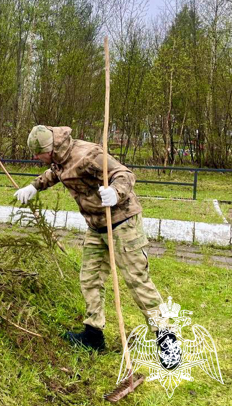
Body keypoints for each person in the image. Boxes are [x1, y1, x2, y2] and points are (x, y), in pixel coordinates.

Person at [15, 125, 163, 351]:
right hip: (96, 225)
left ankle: (165, 339)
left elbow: (125, 174)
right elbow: (56, 172)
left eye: (38, 153)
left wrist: (115, 192)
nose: (36, 157)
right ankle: (93, 335)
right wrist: (34, 186)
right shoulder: (59, 158)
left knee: (137, 281)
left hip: (122, 222)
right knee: (90, 278)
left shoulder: (89, 155)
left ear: (51, 149)